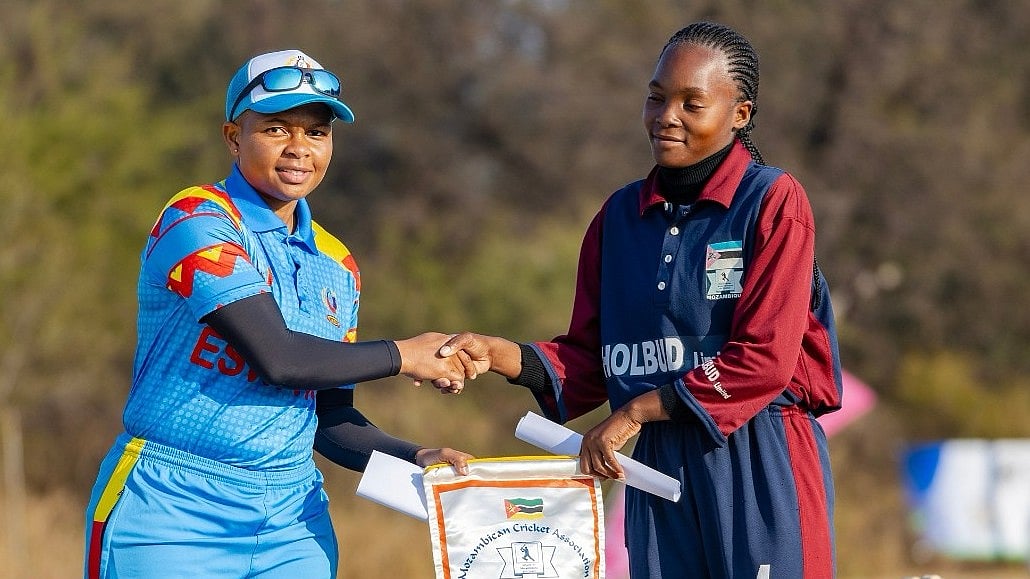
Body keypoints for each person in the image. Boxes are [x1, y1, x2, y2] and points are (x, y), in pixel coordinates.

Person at [440, 21, 843, 579]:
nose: (666, 116)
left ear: (740, 115)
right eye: (656, 98)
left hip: (756, 449)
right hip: (656, 463)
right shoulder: (618, 218)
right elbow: (594, 359)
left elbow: (765, 358)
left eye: (691, 103)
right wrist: (499, 355)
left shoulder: (772, 200)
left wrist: (634, 412)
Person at [83, 49, 476, 579]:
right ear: (233, 137)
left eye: (317, 132)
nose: (299, 149)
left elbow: (328, 418)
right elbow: (281, 359)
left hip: (293, 517)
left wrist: (415, 457)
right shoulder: (196, 219)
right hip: (172, 506)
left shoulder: (338, 263)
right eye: (276, 128)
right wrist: (403, 356)